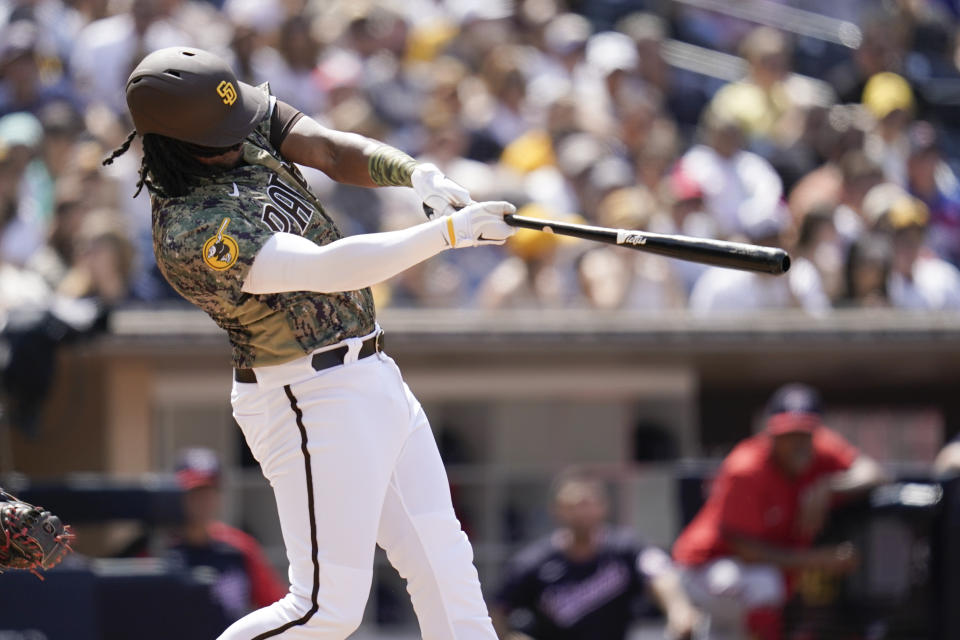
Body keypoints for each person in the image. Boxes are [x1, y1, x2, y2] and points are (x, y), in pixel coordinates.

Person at [106, 47, 516, 639]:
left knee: (445, 564)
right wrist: (447, 234)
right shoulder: (190, 228)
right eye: (225, 130)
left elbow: (325, 148)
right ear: (175, 143)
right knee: (324, 608)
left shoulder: (223, 119)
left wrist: (414, 174)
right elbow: (327, 269)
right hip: (308, 396)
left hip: (372, 373)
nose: (244, 129)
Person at [672, 384, 887, 640]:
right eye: (788, 434)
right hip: (704, 568)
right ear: (772, 433)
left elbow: (874, 473)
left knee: (771, 588)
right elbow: (746, 551)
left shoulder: (821, 448)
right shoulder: (746, 468)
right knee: (763, 584)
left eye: (804, 433)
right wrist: (818, 560)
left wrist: (829, 486)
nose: (797, 443)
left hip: (752, 572)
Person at [492, 471, 701, 640]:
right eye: (572, 505)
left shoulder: (625, 548)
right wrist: (510, 637)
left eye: (587, 503)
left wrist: (678, 610)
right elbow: (496, 609)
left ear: (603, 507)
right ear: (557, 510)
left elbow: (660, 576)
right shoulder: (533, 562)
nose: (581, 512)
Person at [166, 447, 288, 623]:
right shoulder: (158, 550)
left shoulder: (239, 548)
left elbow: (275, 608)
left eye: (209, 492)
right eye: (194, 493)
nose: (202, 501)